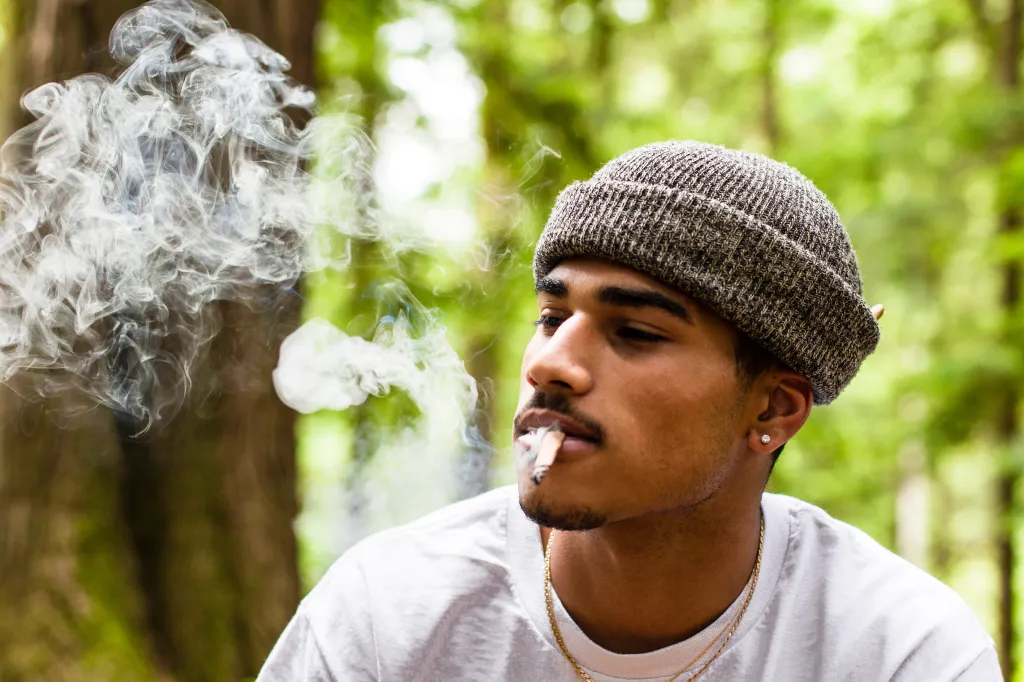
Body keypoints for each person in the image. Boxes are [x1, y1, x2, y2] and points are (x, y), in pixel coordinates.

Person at [256, 141, 1001, 681]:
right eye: (551, 317)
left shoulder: (899, 650)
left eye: (636, 333)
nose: (549, 364)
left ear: (773, 408)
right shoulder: (391, 615)